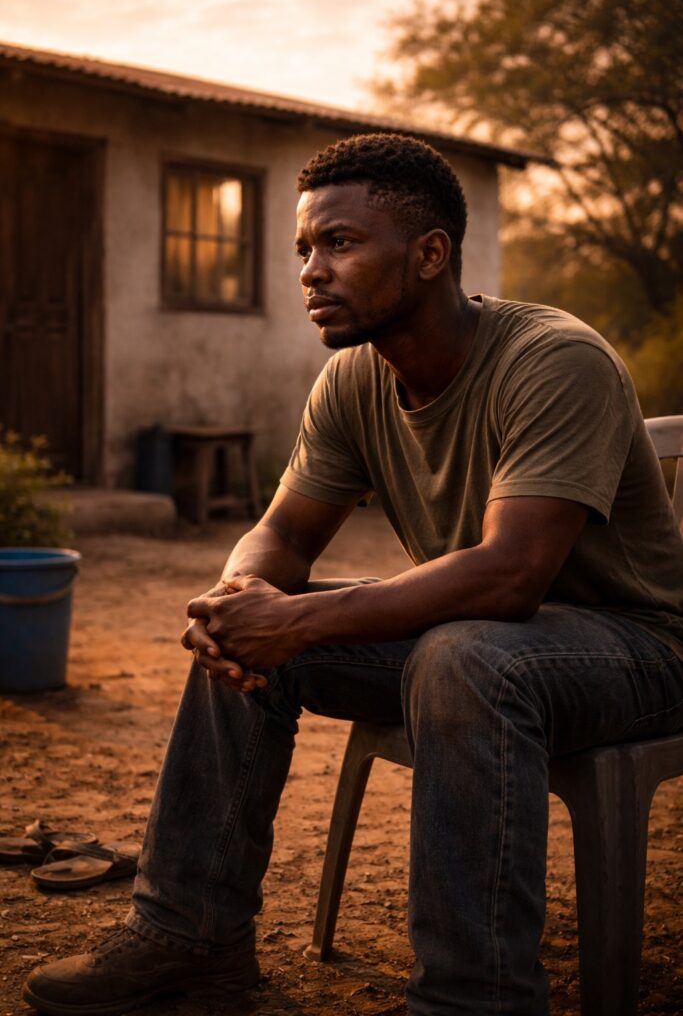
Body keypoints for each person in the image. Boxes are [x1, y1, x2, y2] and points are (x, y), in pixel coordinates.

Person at [24, 134, 683, 1016]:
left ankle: (472, 1000)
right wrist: (237, 601)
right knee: (251, 625)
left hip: (638, 650)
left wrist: (295, 620)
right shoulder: (351, 382)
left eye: (339, 243)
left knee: (462, 656)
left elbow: (510, 576)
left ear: (429, 254)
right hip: (481, 640)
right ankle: (189, 935)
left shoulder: (554, 360)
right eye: (304, 248)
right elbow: (281, 532)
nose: (310, 271)